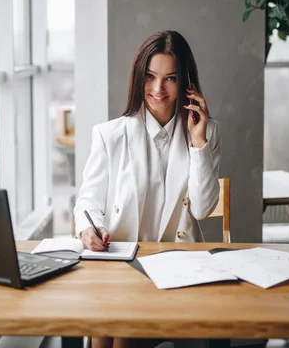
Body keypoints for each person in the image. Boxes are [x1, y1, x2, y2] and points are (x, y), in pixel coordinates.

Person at [73, 30, 222, 347]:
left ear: (186, 82)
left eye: (170, 78)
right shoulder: (110, 135)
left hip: (181, 269)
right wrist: (91, 228)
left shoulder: (206, 132)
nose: (158, 89)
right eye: (150, 76)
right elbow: (88, 201)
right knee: (108, 321)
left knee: (121, 329)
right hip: (123, 267)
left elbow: (203, 208)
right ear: (139, 78)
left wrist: (198, 143)